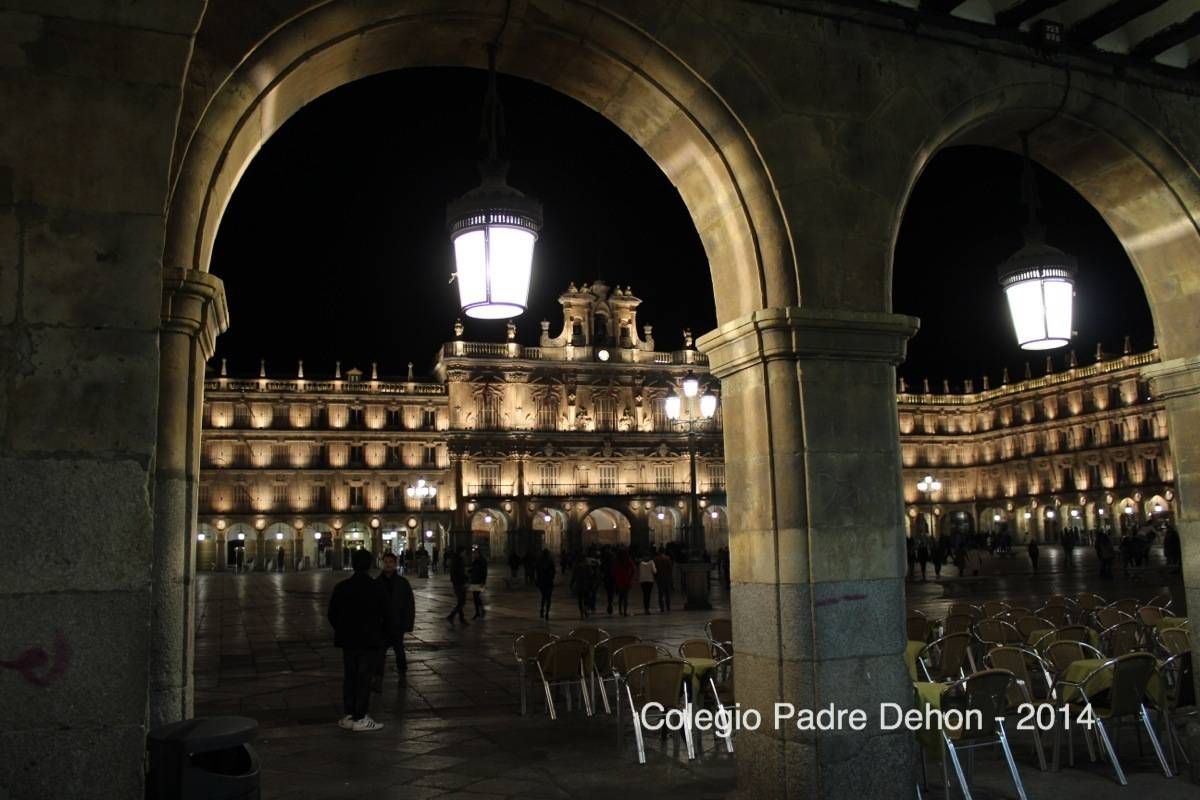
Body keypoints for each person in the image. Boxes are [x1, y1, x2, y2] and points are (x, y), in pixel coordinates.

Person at [327, 548, 389, 732]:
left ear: (353, 564)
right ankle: (361, 717)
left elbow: (332, 614)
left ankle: (349, 714)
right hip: (369, 641)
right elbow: (386, 614)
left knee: (350, 676)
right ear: (370, 565)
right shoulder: (377, 587)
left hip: (348, 640)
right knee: (364, 677)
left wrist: (343, 629)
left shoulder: (342, 587)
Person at [374, 552, 415, 690]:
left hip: (397, 624)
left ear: (395, 563)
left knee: (400, 652)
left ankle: (402, 675)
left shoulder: (403, 583)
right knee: (379, 654)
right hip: (382, 625)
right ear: (382, 563)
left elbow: (409, 604)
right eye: (385, 562)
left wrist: (408, 623)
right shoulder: (376, 583)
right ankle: (378, 679)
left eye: (390, 562)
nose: (388, 564)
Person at [446, 547, 469, 625]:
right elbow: (460, 573)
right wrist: (466, 578)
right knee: (462, 602)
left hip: (456, 583)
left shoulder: (455, 560)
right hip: (459, 583)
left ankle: (461, 619)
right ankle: (451, 616)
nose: (465, 554)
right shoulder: (458, 561)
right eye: (464, 552)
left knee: (460, 601)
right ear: (461, 552)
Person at [613, 547, 634, 617]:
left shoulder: (616, 561)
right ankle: (625, 611)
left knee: (620, 597)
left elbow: (614, 571)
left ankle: (620, 611)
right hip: (626, 580)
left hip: (619, 580)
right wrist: (630, 576)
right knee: (625, 597)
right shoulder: (628, 560)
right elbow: (633, 568)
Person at [535, 548, 556, 619]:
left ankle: (542, 610)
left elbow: (537, 572)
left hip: (542, 582)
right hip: (548, 582)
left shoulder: (539, 561)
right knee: (548, 598)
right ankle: (546, 612)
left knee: (543, 597)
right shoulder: (550, 562)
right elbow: (553, 572)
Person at [571, 554, 593, 619]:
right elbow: (591, 574)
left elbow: (573, 576)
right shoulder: (587, 565)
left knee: (580, 600)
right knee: (586, 599)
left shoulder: (576, 566)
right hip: (586, 584)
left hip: (579, 584)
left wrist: (572, 583)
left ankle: (581, 614)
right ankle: (585, 610)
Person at [469, 548, 488, 619]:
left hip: (480, 581)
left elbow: (484, 572)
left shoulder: (483, 561)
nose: (474, 555)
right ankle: (477, 612)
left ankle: (481, 610)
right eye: (474, 553)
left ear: (479, 554)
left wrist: (483, 581)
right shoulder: (475, 561)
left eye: (476, 553)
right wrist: (469, 571)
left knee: (476, 597)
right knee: (475, 597)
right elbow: (473, 569)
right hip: (474, 580)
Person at [653, 546, 673, 612]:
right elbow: (670, 568)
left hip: (659, 578)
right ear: (664, 551)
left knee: (660, 594)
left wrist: (655, 577)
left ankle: (662, 608)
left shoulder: (655, 559)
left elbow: (654, 570)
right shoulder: (667, 558)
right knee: (667, 594)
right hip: (667, 578)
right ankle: (668, 607)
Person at [601, 548, 616, 615]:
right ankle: (610, 604)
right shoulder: (614, 563)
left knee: (608, 593)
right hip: (612, 579)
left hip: (607, 580)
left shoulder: (604, 563)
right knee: (611, 593)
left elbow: (602, 570)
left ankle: (609, 604)